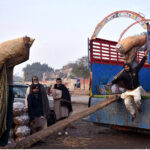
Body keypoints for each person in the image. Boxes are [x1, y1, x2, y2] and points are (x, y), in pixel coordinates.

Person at [107, 50, 148, 121]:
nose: (126, 68)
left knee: (137, 99)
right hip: (128, 91)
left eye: (127, 67)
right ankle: (133, 114)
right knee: (126, 103)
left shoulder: (135, 70)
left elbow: (141, 63)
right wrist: (111, 83)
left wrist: (145, 56)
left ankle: (138, 108)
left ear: (130, 66)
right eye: (125, 67)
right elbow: (117, 79)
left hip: (136, 89)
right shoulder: (123, 74)